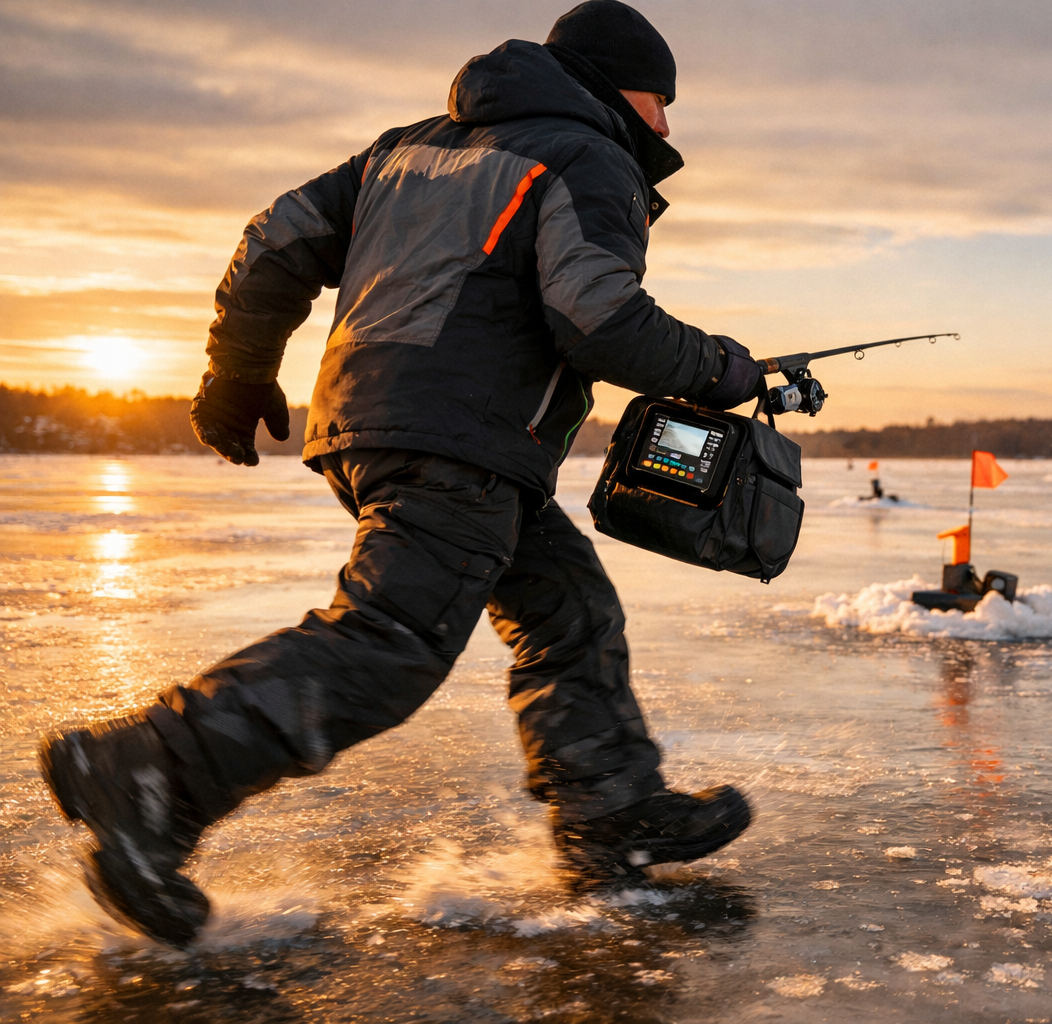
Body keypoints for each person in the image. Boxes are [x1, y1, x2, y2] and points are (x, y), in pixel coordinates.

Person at [37, 1, 760, 947]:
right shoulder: (587, 155)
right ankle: (150, 769)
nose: (666, 124)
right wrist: (724, 368)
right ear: (616, 85)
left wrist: (240, 370)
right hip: (457, 434)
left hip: (388, 423)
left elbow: (273, 242)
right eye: (661, 99)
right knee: (393, 640)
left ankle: (609, 811)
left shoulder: (403, 150)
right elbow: (601, 317)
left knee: (567, 608)